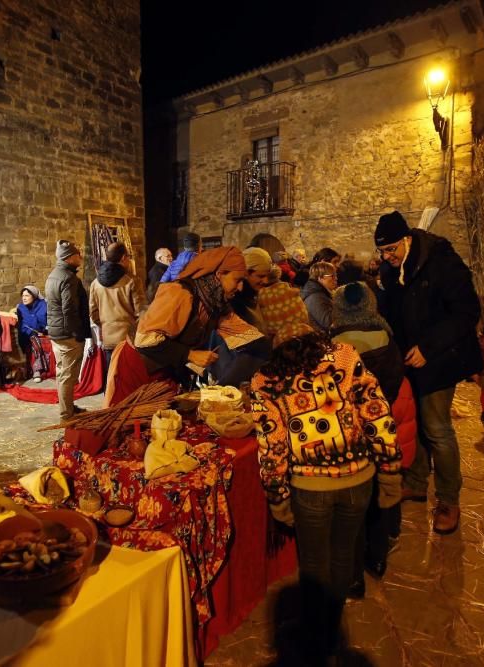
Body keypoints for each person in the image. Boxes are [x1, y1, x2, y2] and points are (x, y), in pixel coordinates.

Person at [250, 281, 403, 662]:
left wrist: (278, 497)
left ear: (269, 325)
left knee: (314, 567)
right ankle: (330, 635)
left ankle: (317, 641)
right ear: (301, 314)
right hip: (359, 480)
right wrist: (390, 471)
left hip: (309, 488)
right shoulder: (345, 355)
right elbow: (376, 412)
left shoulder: (265, 379)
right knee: (341, 559)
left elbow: (273, 446)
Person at [375, 210, 481, 535]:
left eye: (391, 249)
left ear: (407, 239)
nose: (387, 256)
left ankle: (449, 499)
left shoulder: (442, 261)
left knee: (437, 428)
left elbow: (467, 312)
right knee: (416, 422)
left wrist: (429, 348)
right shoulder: (390, 269)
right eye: (382, 251)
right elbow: (392, 311)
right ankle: (418, 482)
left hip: (441, 357)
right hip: (409, 359)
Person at [329, 281, 417, 595]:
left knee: (356, 499)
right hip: (388, 423)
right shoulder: (389, 337)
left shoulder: (337, 345)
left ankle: (354, 570)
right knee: (385, 486)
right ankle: (378, 555)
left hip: (353, 433)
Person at [103, 246, 262, 405]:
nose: (240, 287)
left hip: (164, 368)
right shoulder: (180, 292)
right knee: (130, 422)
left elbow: (246, 337)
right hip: (136, 365)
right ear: (220, 275)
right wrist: (190, 355)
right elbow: (145, 339)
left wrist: (272, 346)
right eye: (237, 280)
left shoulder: (215, 303)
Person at [208, 246, 274, 386]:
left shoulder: (252, 299)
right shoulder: (230, 304)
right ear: (245, 274)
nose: (266, 281)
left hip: (245, 377)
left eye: (267, 275)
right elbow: (242, 349)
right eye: (260, 276)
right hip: (230, 377)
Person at [89, 242, 147, 389]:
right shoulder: (132, 281)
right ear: (123, 258)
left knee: (111, 376)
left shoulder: (95, 283)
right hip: (128, 338)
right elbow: (141, 312)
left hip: (108, 337)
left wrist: (106, 325)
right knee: (129, 378)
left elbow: (93, 312)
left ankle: (111, 406)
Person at [46, 240, 91, 423]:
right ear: (69, 257)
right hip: (67, 334)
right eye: (77, 254)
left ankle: (68, 407)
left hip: (57, 332)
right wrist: (76, 332)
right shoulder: (68, 278)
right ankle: (67, 415)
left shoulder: (54, 274)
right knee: (68, 375)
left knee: (62, 372)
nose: (80, 257)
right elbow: (69, 309)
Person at [16, 285, 48, 383]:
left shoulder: (43, 305)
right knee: (31, 338)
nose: (24, 298)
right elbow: (22, 324)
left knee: (34, 339)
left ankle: (36, 370)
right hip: (26, 332)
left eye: (27, 296)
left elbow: (43, 322)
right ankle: (32, 369)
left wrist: (33, 320)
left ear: (34, 296)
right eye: (23, 296)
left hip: (42, 331)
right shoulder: (21, 308)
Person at [301, 261, 337, 332]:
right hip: (323, 338)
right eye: (332, 276)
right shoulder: (315, 297)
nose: (336, 278)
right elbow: (329, 323)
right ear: (320, 278)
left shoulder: (321, 293)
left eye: (336, 275)